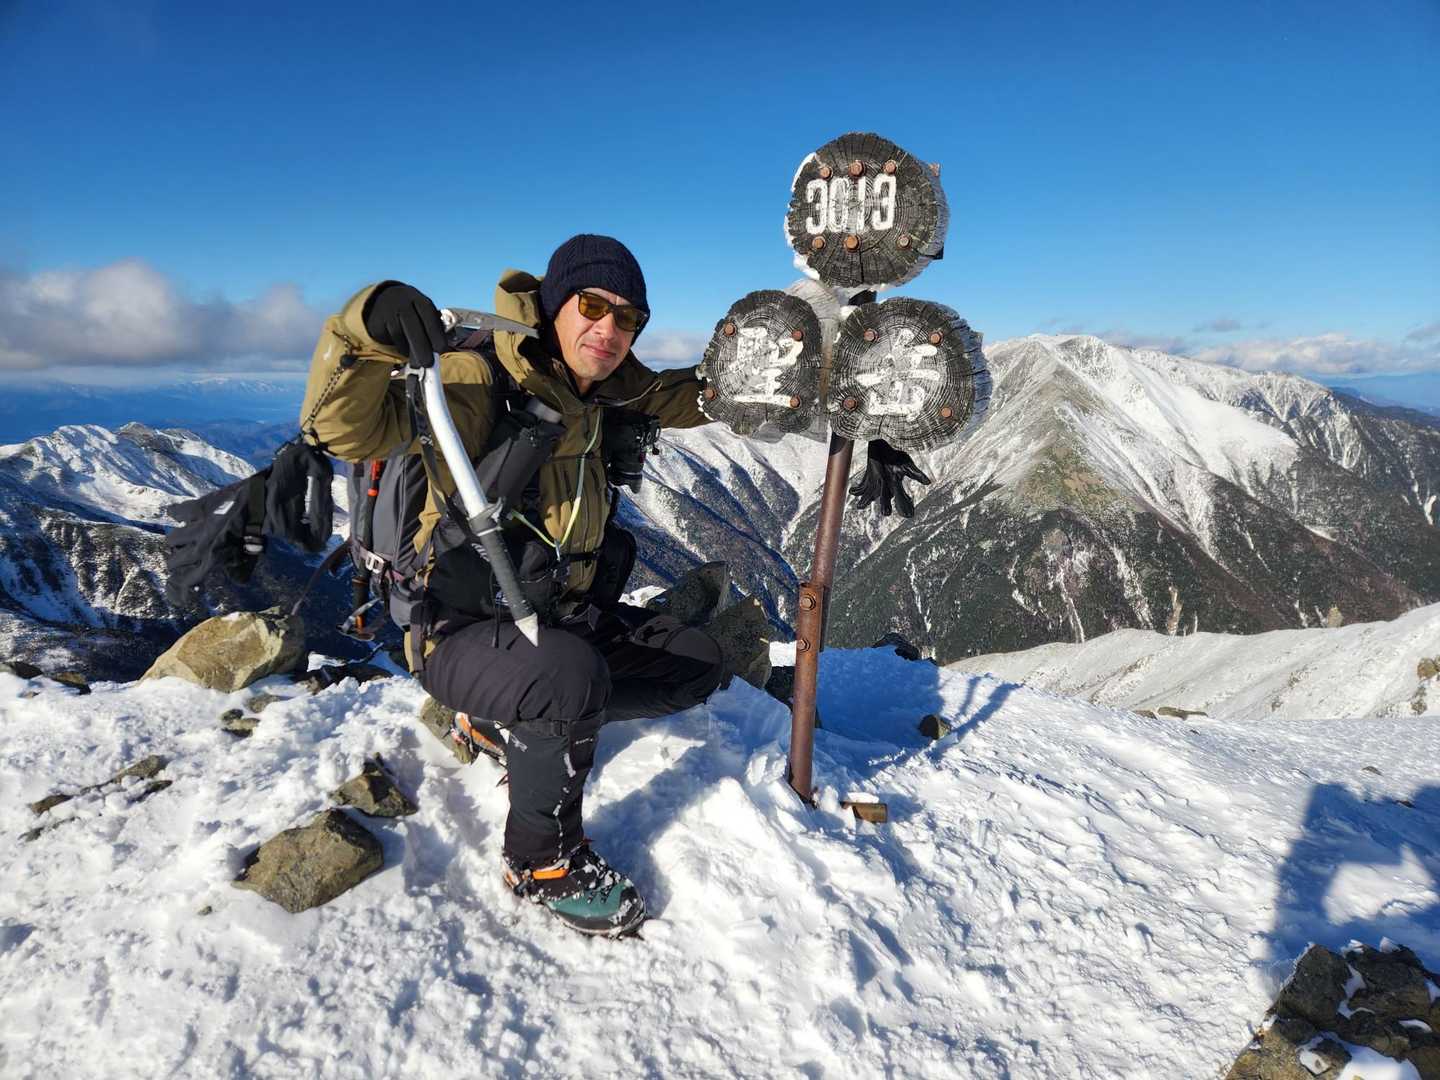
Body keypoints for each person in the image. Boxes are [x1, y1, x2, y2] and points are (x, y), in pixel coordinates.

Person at [298, 234, 932, 938]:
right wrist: (364, 324)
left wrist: (855, 410)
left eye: (628, 317)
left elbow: (714, 394)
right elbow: (342, 432)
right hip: (457, 629)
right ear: (553, 304)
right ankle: (540, 862)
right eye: (593, 305)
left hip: (554, 618)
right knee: (566, 678)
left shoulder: (610, 385)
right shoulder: (476, 378)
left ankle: (507, 720)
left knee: (694, 665)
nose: (609, 327)